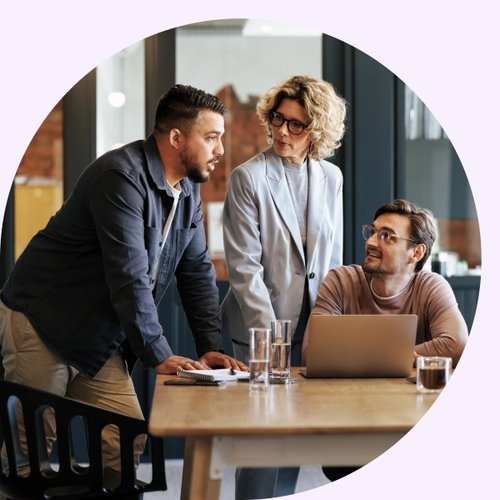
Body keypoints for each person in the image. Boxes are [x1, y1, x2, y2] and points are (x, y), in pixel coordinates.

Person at [0, 84, 246, 475]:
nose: (220, 149)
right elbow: (129, 277)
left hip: (98, 332)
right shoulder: (120, 177)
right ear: (176, 138)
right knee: (30, 447)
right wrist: (158, 353)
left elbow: (197, 271)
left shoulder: (187, 192)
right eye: (211, 137)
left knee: (125, 437)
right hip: (42, 321)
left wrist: (210, 347)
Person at [221, 76, 347, 499]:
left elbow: (331, 259)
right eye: (278, 119)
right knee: (262, 440)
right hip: (261, 329)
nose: (282, 132)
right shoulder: (247, 178)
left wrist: (329, 324)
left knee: (292, 435)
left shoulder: (331, 177)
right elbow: (244, 269)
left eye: (296, 125)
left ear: (317, 131)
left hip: (312, 327)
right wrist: (271, 340)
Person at [303, 198, 468, 367]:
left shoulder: (431, 287)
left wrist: (369, 358)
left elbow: (458, 345)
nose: (370, 242)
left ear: (416, 253)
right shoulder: (340, 282)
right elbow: (312, 352)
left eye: (386, 236)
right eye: (372, 232)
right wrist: (398, 357)